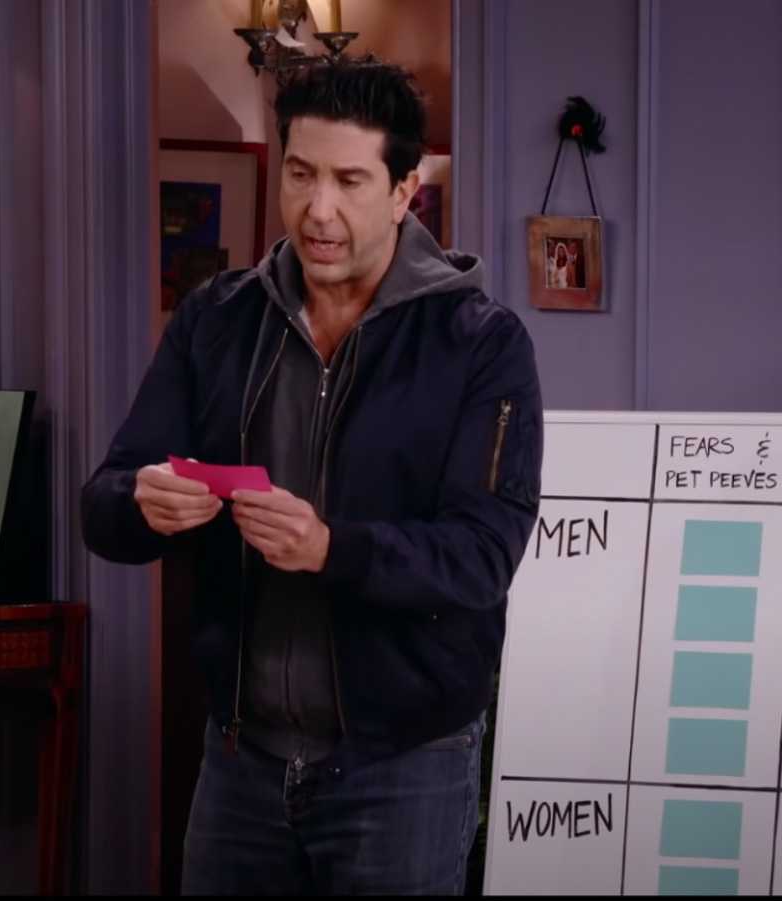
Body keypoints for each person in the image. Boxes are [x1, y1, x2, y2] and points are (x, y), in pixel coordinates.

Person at [80, 56, 544, 895]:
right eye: (300, 174)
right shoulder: (216, 319)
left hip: (404, 769)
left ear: (404, 191)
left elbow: (483, 556)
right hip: (239, 762)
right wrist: (141, 501)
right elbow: (103, 505)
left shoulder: (481, 343)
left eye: (349, 181)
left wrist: (332, 549)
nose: (317, 209)